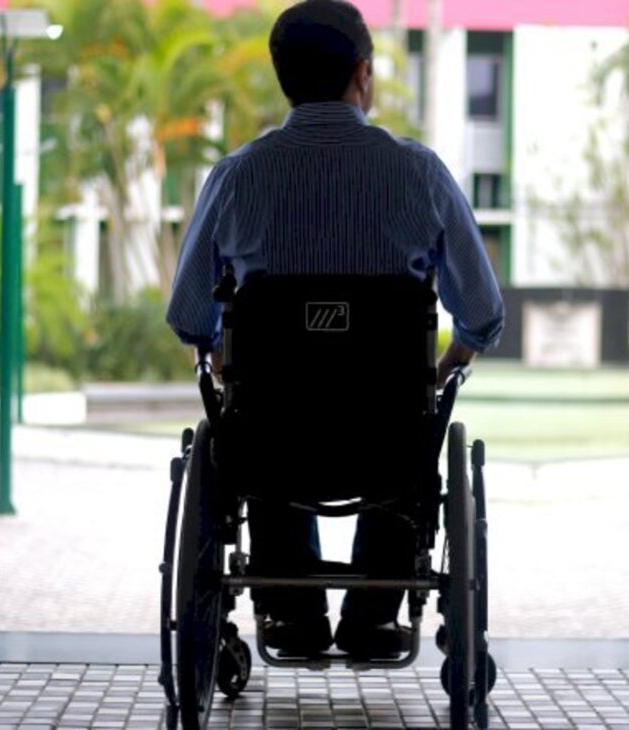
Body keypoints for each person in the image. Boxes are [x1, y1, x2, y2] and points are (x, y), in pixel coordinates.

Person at [166, 0, 504, 658]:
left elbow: (187, 316)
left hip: (270, 439)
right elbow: (483, 312)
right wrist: (439, 373)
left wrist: (216, 360)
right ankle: (376, 615)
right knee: (402, 420)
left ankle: (290, 611)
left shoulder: (238, 176)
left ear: (282, 75)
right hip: (387, 438)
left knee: (254, 410)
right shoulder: (420, 174)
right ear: (363, 73)